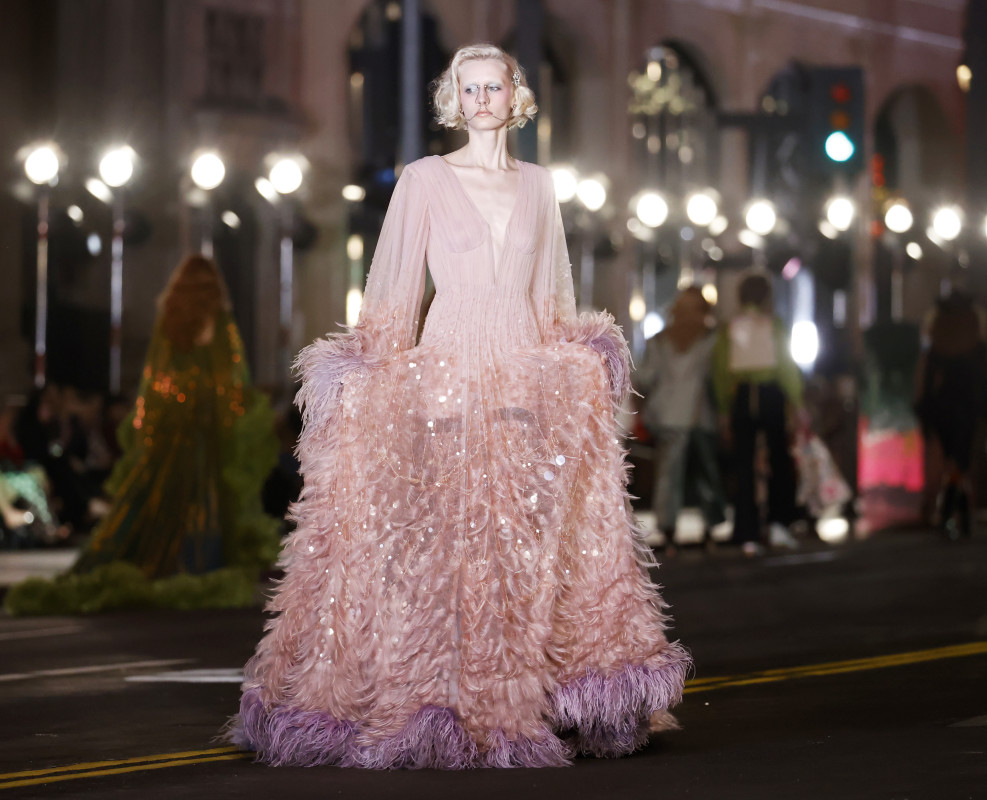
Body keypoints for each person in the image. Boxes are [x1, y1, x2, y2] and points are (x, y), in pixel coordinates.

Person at [230, 44, 690, 770]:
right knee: (446, 539)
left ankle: (535, 693)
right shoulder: (423, 179)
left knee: (524, 538)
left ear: (515, 96)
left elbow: (553, 296)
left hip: (525, 372)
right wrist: (364, 371)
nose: (480, 99)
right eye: (467, 88)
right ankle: (438, 699)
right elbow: (394, 295)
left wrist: (576, 361)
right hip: (447, 367)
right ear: (454, 98)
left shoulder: (540, 185)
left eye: (492, 86)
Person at [4, 256, 280, 615]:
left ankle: (162, 560)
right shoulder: (218, 320)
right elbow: (230, 379)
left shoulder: (170, 319)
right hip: (203, 430)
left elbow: (155, 378)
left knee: (157, 500)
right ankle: (200, 563)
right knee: (205, 500)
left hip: (170, 431)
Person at [711, 272, 803, 556]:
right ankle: (778, 525)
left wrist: (724, 410)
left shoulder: (729, 328)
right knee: (779, 459)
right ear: (766, 297)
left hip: (741, 396)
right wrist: (797, 404)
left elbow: (720, 372)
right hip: (771, 395)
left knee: (744, 465)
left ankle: (746, 531)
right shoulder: (773, 324)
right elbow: (786, 367)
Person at [635, 287, 726, 554]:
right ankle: (709, 528)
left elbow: (645, 378)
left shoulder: (660, 341)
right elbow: (717, 379)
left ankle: (669, 530)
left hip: (669, 415)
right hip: (699, 415)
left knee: (669, 475)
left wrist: (639, 406)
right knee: (704, 474)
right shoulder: (712, 340)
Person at [915, 290, 987, 539]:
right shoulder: (975, 345)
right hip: (965, 408)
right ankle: (957, 513)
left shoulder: (938, 344)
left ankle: (950, 512)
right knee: (960, 462)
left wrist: (925, 410)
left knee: (951, 462)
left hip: (943, 408)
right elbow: (982, 382)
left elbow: (926, 383)